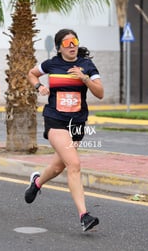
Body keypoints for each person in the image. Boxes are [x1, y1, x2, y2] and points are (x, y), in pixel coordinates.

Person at [25, 29, 104, 232]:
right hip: (55, 120)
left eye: (75, 41)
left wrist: (84, 78)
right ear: (59, 47)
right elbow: (31, 74)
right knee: (74, 164)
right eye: (67, 43)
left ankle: (37, 182)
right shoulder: (51, 64)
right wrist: (38, 87)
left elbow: (100, 93)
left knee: (59, 167)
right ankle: (84, 216)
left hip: (77, 123)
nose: (72, 46)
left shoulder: (87, 65)